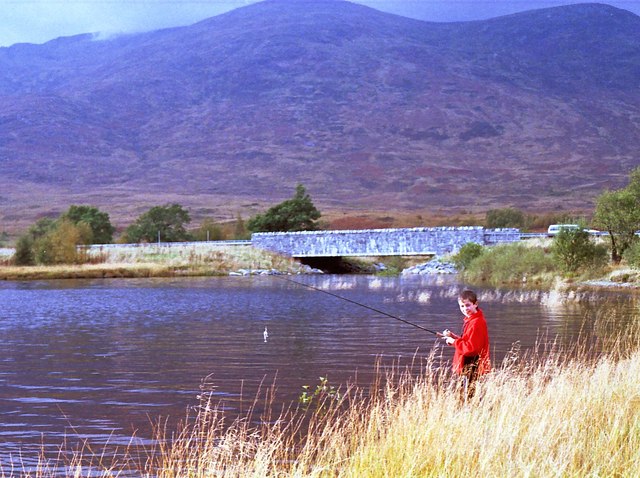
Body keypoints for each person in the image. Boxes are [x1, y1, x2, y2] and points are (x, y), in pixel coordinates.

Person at [440, 289, 491, 401]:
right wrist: (453, 337)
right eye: (462, 306)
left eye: (468, 305)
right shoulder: (472, 320)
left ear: (475, 304)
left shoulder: (476, 322)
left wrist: (453, 342)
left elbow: (471, 349)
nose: (465, 309)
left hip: (472, 365)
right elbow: (468, 342)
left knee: (466, 399)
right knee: (466, 396)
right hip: (469, 364)